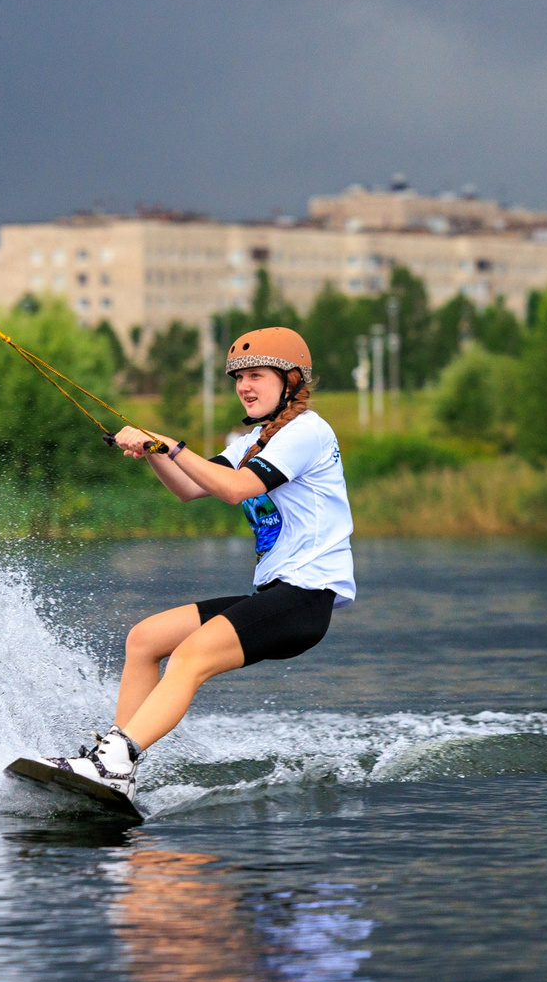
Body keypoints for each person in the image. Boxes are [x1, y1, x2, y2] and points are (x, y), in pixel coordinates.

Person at [29, 327, 356, 802]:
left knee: (189, 656)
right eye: (239, 378)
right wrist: (153, 453)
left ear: (290, 381)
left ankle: (113, 764)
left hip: (305, 598)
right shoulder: (253, 442)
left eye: (257, 376)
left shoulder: (307, 432)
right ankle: (114, 769)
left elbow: (236, 489)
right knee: (145, 639)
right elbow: (189, 487)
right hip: (278, 595)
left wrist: (171, 445)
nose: (244, 386)